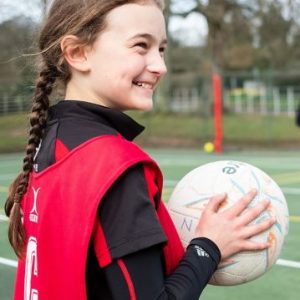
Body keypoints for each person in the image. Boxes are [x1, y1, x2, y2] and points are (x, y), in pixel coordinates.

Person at [5, 1, 275, 299]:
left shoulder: (53, 140)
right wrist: (208, 245)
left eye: (161, 49)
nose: (161, 66)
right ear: (78, 53)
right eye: (140, 45)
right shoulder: (114, 166)